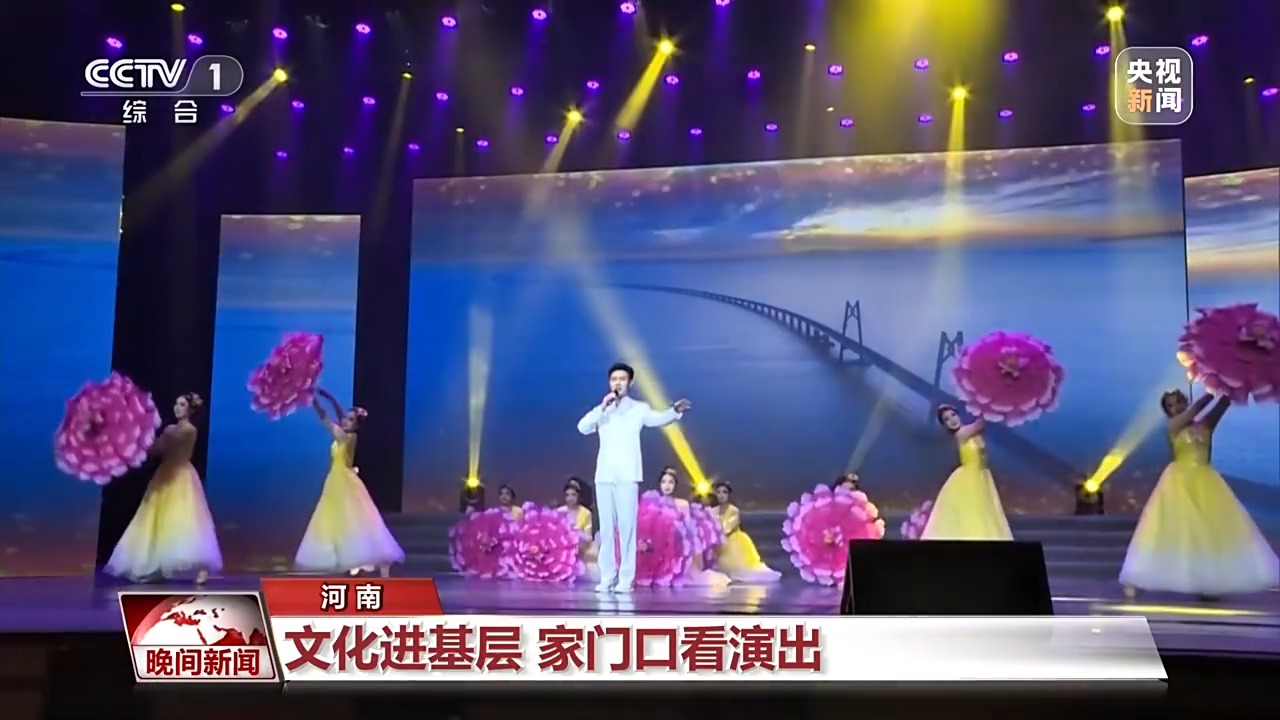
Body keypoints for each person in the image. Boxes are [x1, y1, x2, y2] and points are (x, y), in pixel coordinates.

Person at [1121, 390, 1278, 599]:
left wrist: (1232, 386)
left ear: (1185, 401)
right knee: (1169, 530)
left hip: (1206, 480)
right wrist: (1211, 390)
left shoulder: (1205, 425)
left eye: (1179, 401)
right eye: (1171, 405)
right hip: (1180, 482)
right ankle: (1137, 577)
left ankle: (1207, 583)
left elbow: (1223, 404)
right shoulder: (1173, 427)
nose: (1176, 407)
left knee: (1209, 532)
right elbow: (1197, 408)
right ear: (1167, 411)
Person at [576, 361, 692, 593]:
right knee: (606, 529)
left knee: (627, 528)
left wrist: (674, 411)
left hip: (628, 475)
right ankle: (607, 577)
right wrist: (602, 408)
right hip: (605, 475)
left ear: (630, 382)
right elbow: (583, 427)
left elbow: (657, 419)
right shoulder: (603, 410)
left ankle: (626, 578)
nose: (617, 383)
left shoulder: (639, 409)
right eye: (614, 379)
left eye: (622, 379)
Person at [105, 392, 222, 584]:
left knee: (184, 519)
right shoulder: (171, 430)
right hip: (165, 474)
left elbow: (164, 445)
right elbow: (156, 450)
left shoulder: (188, 430)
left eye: (182, 405)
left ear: (190, 409)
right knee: (155, 518)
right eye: (176, 404)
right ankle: (156, 566)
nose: (177, 408)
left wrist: (147, 433)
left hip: (180, 476)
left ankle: (202, 567)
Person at [294, 389, 404, 577]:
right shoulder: (344, 434)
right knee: (341, 522)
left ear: (356, 425)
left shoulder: (349, 437)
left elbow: (326, 418)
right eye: (346, 418)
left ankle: (379, 562)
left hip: (344, 482)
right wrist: (327, 397)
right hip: (336, 481)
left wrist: (316, 402)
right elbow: (338, 414)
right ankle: (350, 561)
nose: (345, 421)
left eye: (350, 420)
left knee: (357, 520)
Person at [920, 405, 1013, 540]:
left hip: (983, 476)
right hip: (969, 479)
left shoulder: (973, 433)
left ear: (959, 415)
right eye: (947, 419)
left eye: (953, 415)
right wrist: (989, 407)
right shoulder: (961, 434)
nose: (952, 420)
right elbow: (980, 424)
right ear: (945, 425)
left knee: (985, 513)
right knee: (973, 512)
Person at [658, 467, 730, 587]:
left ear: (675, 485)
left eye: (671, 482)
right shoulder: (654, 504)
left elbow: (689, 529)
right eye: (664, 482)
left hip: (678, 546)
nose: (667, 485)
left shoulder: (682, 504)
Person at [711, 481, 782, 583]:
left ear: (729, 494)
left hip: (732, 541)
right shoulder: (712, 511)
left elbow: (729, 527)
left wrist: (718, 534)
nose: (721, 495)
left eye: (724, 492)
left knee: (739, 569)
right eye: (719, 492)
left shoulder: (734, 510)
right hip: (717, 541)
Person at [558, 481, 599, 580]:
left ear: (578, 496)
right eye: (567, 495)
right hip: (563, 547)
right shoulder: (559, 512)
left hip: (581, 546)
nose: (570, 498)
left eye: (573, 495)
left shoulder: (586, 513)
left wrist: (578, 535)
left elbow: (588, 536)